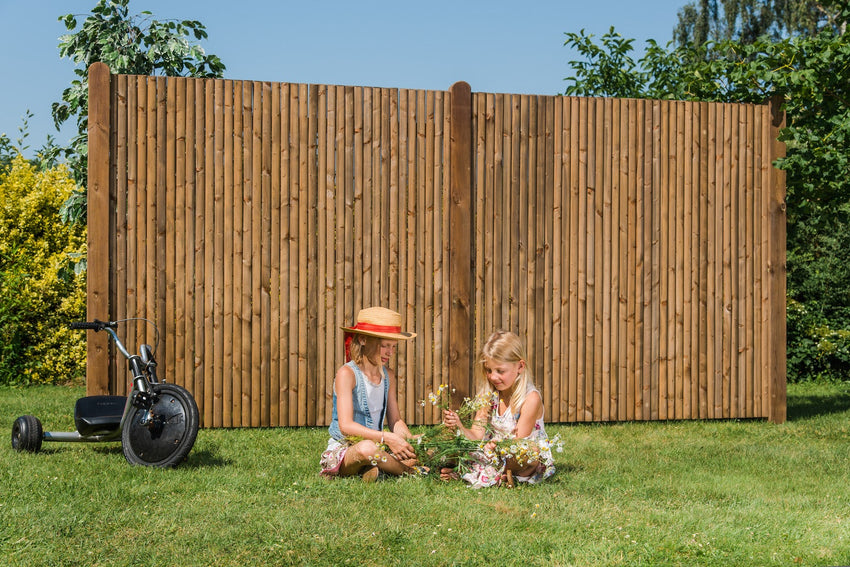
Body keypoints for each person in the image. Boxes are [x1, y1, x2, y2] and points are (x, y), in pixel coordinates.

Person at [441, 330, 556, 487]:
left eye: (500, 371)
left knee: (529, 453)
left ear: (520, 367)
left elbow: (519, 442)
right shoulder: (488, 396)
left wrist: (498, 445)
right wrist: (459, 426)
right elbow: (476, 435)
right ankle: (494, 474)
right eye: (489, 370)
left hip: (516, 455)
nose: (493, 377)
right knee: (451, 442)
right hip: (492, 453)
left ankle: (484, 472)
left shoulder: (530, 398)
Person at [320, 306, 423, 481]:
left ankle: (375, 471)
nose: (389, 352)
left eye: (393, 346)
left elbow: (395, 420)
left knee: (422, 446)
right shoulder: (347, 374)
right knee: (366, 449)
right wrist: (386, 438)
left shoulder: (388, 375)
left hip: (378, 446)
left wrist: (410, 441)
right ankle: (411, 472)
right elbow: (346, 426)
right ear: (362, 340)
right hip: (348, 448)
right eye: (384, 346)